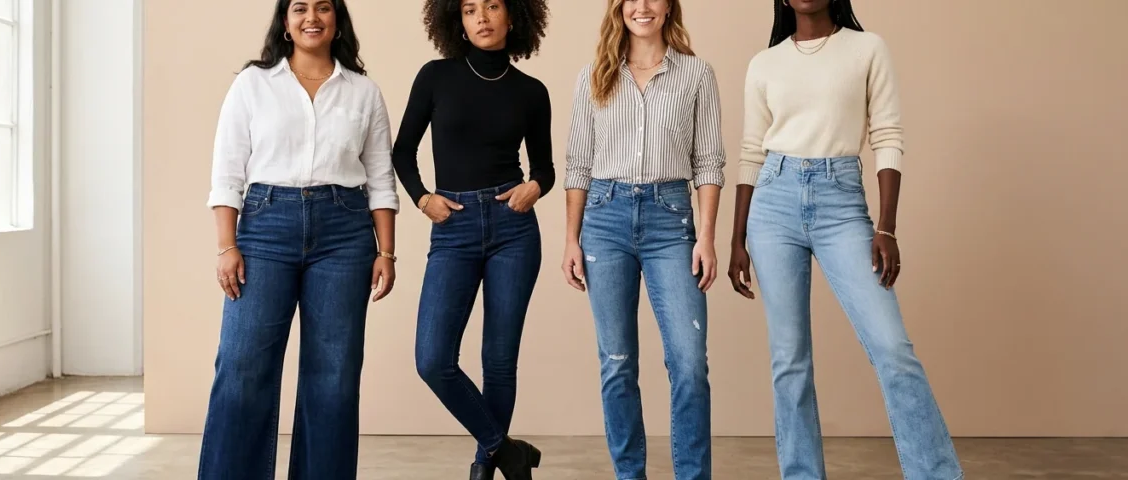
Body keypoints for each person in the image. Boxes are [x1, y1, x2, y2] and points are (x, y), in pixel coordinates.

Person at [725, 0, 964, 478]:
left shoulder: (866, 49)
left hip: (841, 202)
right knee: (789, 361)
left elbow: (887, 134)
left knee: (892, 348)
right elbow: (752, 150)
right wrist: (737, 238)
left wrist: (887, 226)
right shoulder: (765, 62)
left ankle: (937, 474)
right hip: (773, 203)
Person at [198, 1, 399, 479]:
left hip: (345, 233)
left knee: (333, 377)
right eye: (300, 8)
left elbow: (380, 179)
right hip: (266, 227)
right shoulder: (252, 84)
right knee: (243, 369)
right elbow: (227, 173)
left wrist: (386, 251)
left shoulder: (363, 92)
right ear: (285, 22)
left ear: (337, 20)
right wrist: (227, 247)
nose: (312, 17)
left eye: (323, 7)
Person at [560, 0, 725, 478]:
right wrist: (571, 239)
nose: (643, 6)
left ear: (670, 7)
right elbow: (578, 165)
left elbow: (709, 163)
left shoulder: (697, 74)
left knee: (690, 365)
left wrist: (707, 237)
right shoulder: (593, 76)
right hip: (604, 221)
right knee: (617, 363)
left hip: (671, 221)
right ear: (620, 8)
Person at [391, 1, 553, 479]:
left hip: (513, 229)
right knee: (433, 358)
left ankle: (484, 467)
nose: (481, 17)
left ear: (514, 16)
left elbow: (543, 166)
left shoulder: (531, 91)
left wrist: (534, 187)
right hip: (454, 227)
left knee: (499, 361)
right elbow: (402, 150)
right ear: (455, 20)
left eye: (492, 6)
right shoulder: (436, 76)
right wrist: (422, 199)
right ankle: (507, 450)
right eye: (468, 9)